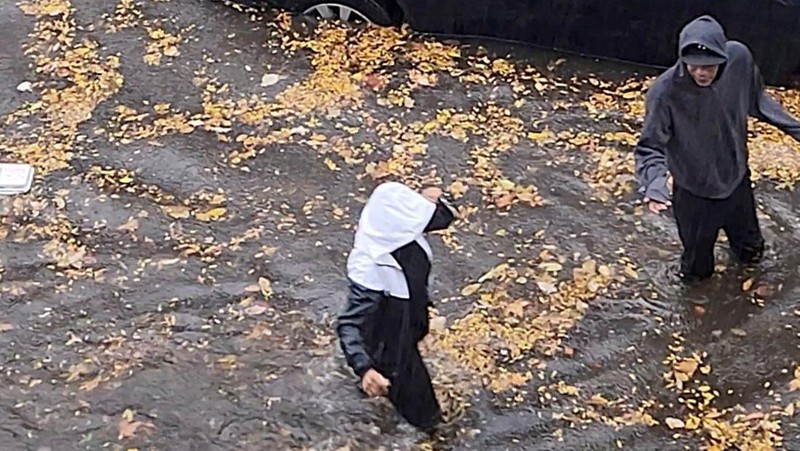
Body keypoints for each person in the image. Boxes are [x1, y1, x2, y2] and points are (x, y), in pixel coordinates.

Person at [634, 14, 800, 283]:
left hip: (736, 181)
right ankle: (698, 314)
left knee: (752, 252)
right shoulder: (664, 92)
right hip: (695, 194)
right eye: (694, 66)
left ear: (723, 57)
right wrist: (654, 184)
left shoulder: (739, 60)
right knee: (697, 273)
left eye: (709, 66)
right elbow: (650, 147)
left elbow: (758, 100)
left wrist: (796, 130)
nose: (701, 73)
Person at [336, 181, 456, 432]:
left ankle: (377, 399)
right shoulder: (370, 271)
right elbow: (349, 324)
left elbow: (441, 217)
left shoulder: (396, 230)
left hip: (403, 328)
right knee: (428, 419)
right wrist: (365, 367)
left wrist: (434, 197)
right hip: (392, 349)